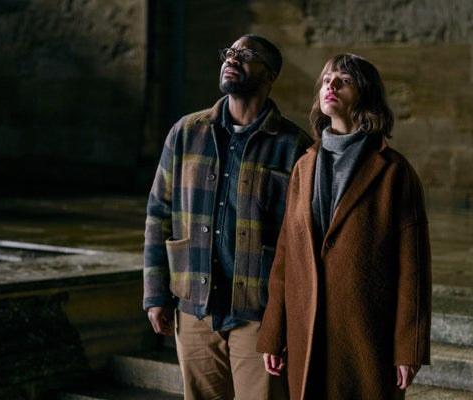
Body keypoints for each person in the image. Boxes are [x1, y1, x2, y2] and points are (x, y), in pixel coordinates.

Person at [143, 34, 313, 400]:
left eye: (246, 55)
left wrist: (286, 320)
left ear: (270, 75)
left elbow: (302, 241)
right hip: (194, 309)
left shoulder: (295, 146)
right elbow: (159, 214)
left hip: (258, 314)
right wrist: (155, 293)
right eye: (229, 53)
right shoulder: (187, 132)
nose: (232, 59)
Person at [256, 53, 432, 399]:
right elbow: (285, 255)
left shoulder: (394, 172)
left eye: (344, 81)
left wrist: (408, 348)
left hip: (366, 333)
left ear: (365, 96)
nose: (330, 86)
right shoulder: (304, 167)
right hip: (307, 329)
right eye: (326, 80)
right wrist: (273, 333)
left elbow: (414, 269)